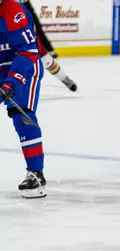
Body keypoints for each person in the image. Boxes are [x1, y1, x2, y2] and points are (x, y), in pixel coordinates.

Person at [0, 0, 47, 198]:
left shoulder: (12, 10)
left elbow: (28, 51)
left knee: (21, 114)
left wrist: (11, 82)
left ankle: (36, 174)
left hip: (25, 67)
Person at [18, 0, 77, 92]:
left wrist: (49, 48)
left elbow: (36, 25)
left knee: (46, 60)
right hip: (10, 37)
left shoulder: (24, 4)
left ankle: (64, 78)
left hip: (28, 36)